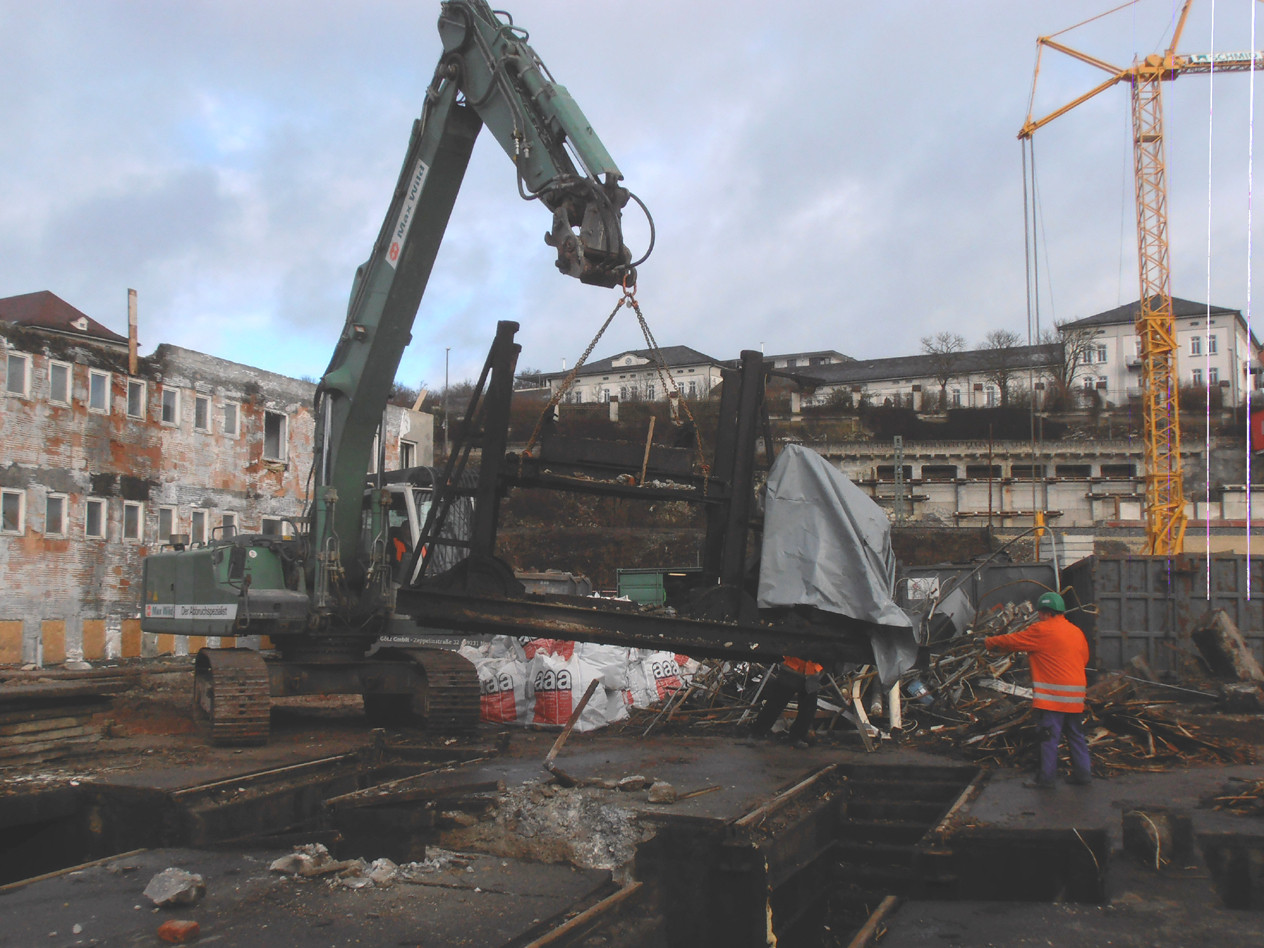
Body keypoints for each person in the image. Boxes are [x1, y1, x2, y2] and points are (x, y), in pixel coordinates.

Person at [984, 591, 1092, 788]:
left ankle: (1046, 779)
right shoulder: (1076, 632)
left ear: (1045, 612)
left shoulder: (1041, 630)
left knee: (1048, 737)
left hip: (1052, 699)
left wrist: (988, 642)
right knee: (1076, 735)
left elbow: (1013, 641)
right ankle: (1083, 775)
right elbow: (1084, 659)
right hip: (1076, 698)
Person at [750, 656, 823, 748]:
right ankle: (757, 734)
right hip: (792, 671)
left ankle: (796, 737)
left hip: (810, 673)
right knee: (776, 704)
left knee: (808, 709)